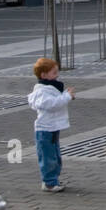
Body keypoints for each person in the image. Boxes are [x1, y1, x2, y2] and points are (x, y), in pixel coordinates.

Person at [28, 57, 75, 192]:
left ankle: (53, 179)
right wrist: (66, 97)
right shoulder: (42, 91)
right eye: (54, 73)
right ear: (44, 75)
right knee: (48, 156)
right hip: (45, 129)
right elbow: (51, 104)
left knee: (54, 155)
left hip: (52, 127)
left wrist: (66, 95)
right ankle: (49, 182)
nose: (57, 75)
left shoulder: (50, 88)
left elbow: (55, 101)